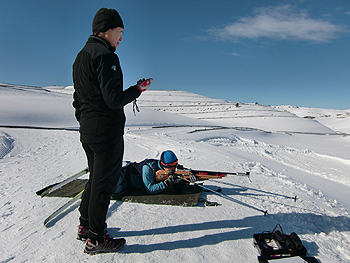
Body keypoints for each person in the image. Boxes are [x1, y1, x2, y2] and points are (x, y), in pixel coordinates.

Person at [72, 7, 152, 255]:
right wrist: (137, 90)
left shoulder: (81, 56)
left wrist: (86, 121)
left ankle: (86, 226)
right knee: (104, 185)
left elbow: (78, 99)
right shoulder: (106, 57)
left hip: (88, 130)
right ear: (107, 30)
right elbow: (113, 100)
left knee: (95, 179)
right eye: (120, 32)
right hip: (106, 131)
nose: (121, 38)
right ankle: (96, 238)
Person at [114, 150, 184, 195]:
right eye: (172, 165)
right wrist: (166, 183)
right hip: (124, 176)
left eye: (176, 163)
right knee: (112, 187)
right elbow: (150, 189)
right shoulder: (149, 168)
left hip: (129, 186)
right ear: (165, 165)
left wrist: (182, 181)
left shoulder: (168, 170)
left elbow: (176, 188)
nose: (174, 168)